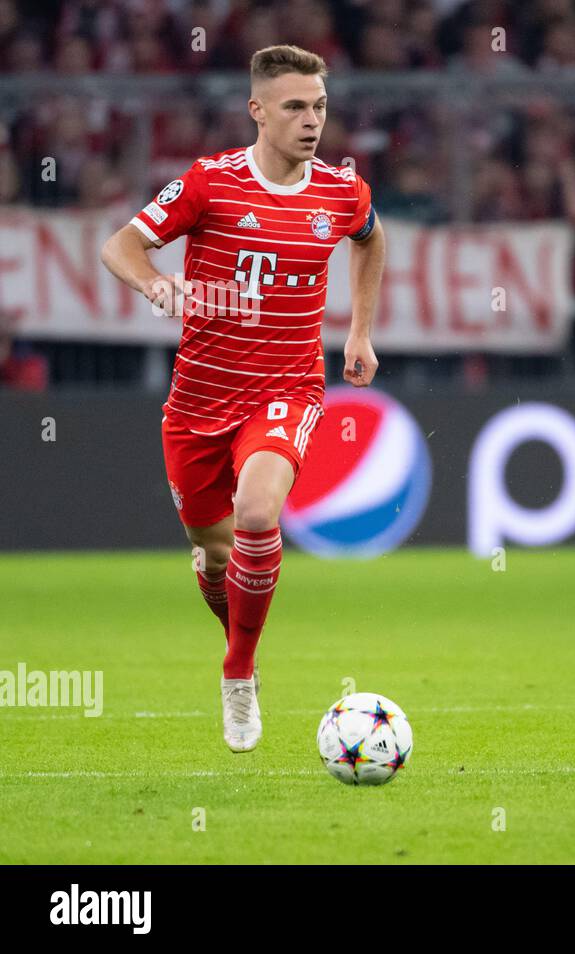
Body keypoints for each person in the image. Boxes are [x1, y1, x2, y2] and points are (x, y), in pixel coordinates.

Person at [99, 45, 386, 753]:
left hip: (286, 389)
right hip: (197, 403)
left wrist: (359, 334)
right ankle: (230, 616)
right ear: (257, 110)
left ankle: (238, 673)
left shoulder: (341, 191)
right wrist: (156, 284)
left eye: (319, 105)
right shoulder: (209, 183)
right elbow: (120, 247)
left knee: (258, 514)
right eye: (294, 106)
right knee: (216, 553)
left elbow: (371, 243)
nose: (311, 120)